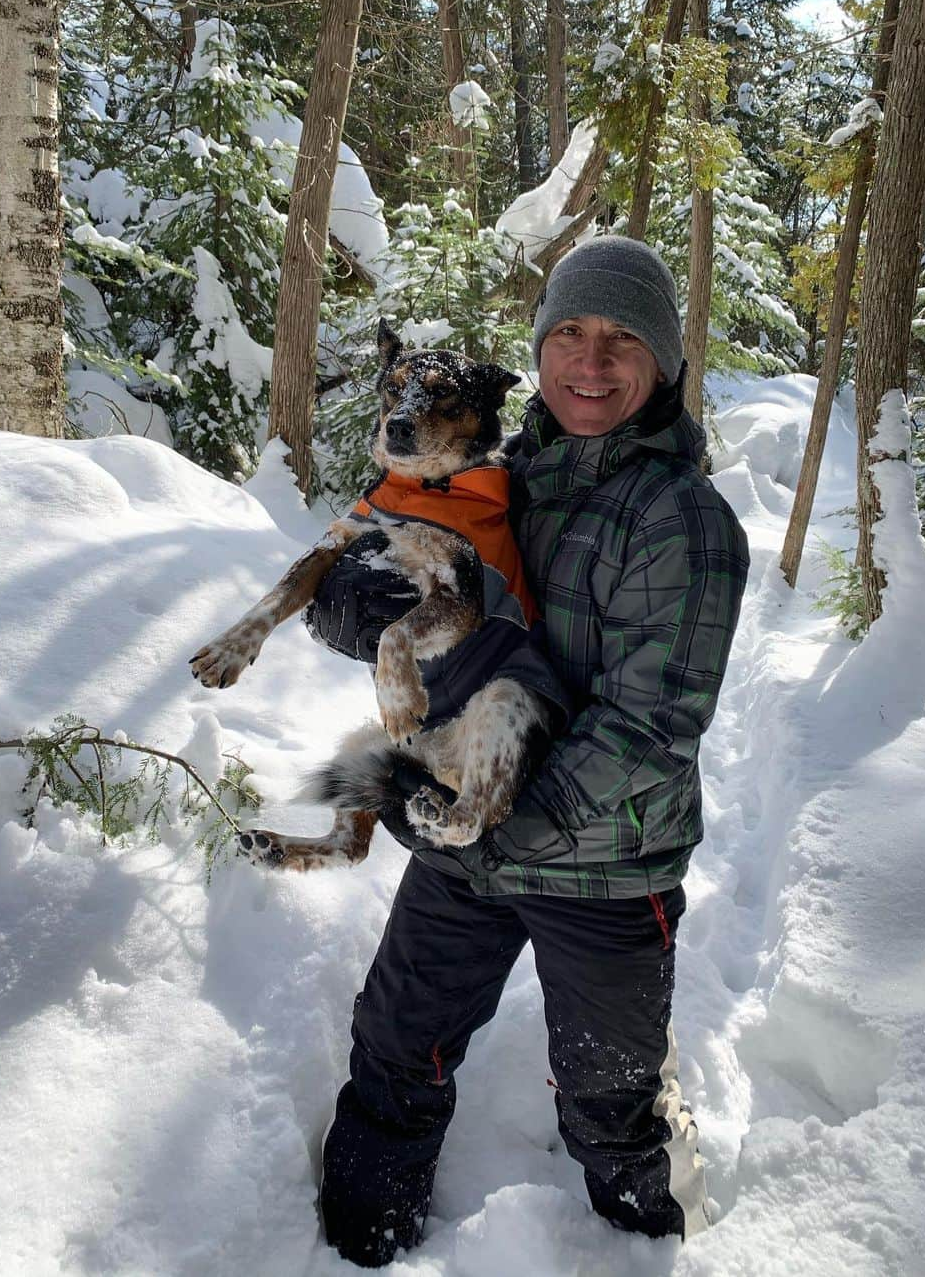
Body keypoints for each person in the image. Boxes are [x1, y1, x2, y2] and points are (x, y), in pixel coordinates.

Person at [305, 236, 750, 1266]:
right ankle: (351, 1245)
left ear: (667, 365)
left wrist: (497, 824)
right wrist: (346, 605)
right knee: (393, 1047)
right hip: (466, 831)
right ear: (540, 350)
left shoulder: (681, 519)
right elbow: (397, 564)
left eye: (623, 339)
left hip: (605, 858)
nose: (591, 362)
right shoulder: (501, 477)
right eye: (570, 334)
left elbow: (651, 730)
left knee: (607, 1097)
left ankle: (655, 1231)